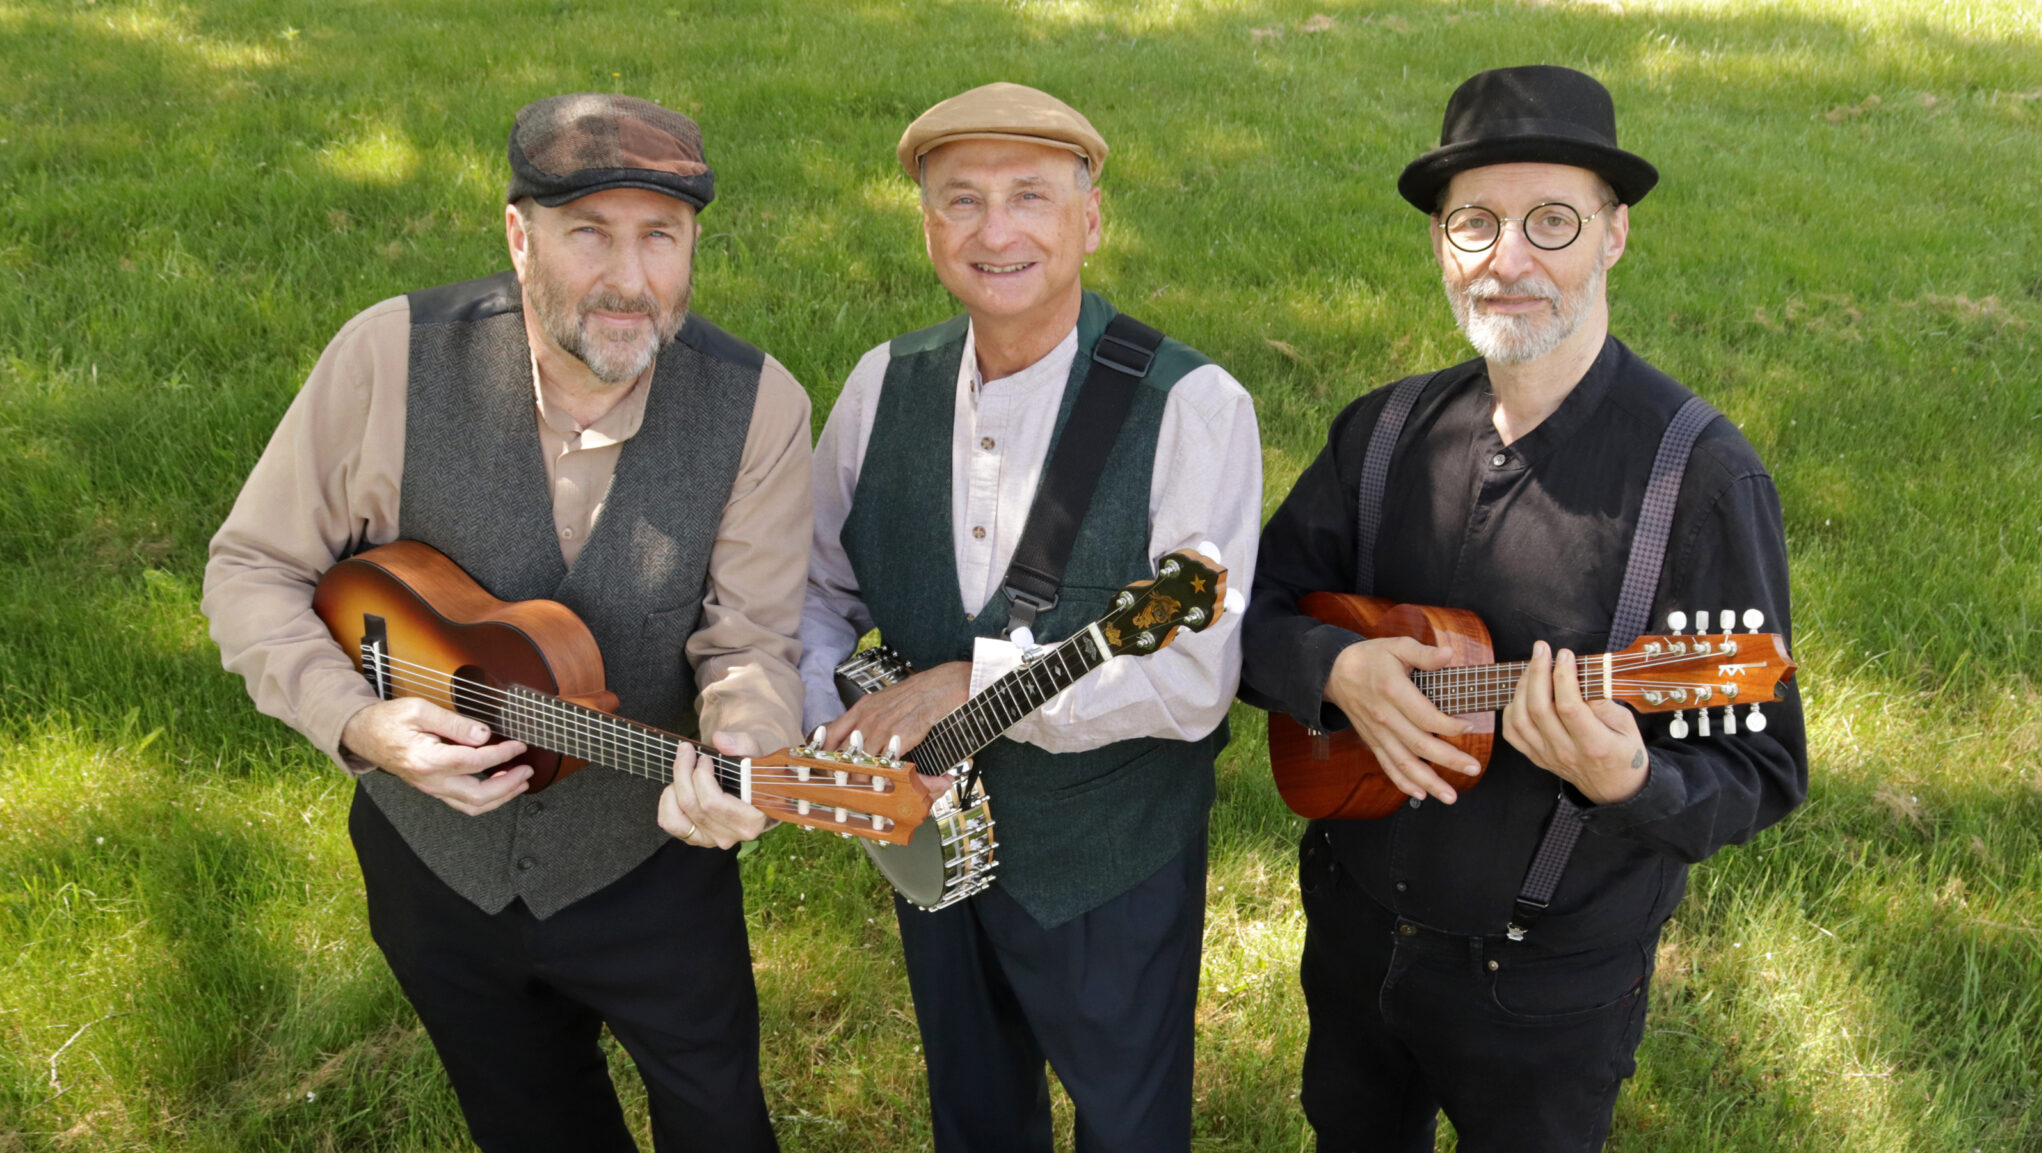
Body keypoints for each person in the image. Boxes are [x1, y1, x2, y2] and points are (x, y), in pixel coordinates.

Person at [202, 93, 808, 1153]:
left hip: (647, 868)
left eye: (660, 236)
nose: (630, 279)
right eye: (590, 233)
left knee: (721, 1122)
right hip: (432, 869)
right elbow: (252, 568)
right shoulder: (388, 358)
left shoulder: (758, 406)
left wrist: (747, 746)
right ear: (520, 237)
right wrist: (357, 720)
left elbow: (749, 641)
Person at [1238, 65, 1808, 1151]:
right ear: (1439, 245)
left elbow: (1763, 768)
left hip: (1546, 983)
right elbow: (1249, 610)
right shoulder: (1382, 434)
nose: (1508, 261)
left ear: (1614, 235)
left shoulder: (1699, 479)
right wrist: (1335, 667)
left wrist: (1628, 777)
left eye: (1552, 221)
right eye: (1475, 224)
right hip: (1352, 931)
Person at [798, 83, 1261, 1153]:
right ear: (927, 227)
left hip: (1109, 857)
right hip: (926, 832)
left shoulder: (1193, 407)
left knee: (1129, 1128)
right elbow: (816, 593)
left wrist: (977, 682)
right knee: (971, 1115)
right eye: (961, 200)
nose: (994, 231)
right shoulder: (879, 386)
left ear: (1089, 220)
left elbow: (1195, 681)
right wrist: (837, 732)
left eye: (1030, 196)